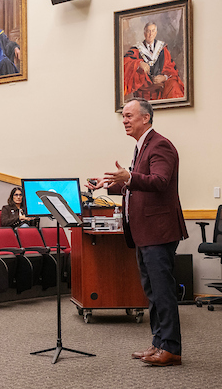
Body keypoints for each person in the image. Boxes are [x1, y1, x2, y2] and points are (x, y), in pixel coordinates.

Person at [87, 98, 187, 367]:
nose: (125, 120)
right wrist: (107, 185)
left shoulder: (160, 145)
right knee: (152, 292)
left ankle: (171, 349)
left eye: (130, 116)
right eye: (123, 117)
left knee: (163, 291)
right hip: (144, 232)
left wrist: (128, 177)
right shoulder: (141, 147)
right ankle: (158, 343)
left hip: (158, 230)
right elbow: (136, 185)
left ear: (146, 118)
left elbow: (160, 181)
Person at [123, 22, 184, 101]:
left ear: (156, 33)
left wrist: (164, 77)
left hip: (160, 87)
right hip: (144, 87)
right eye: (148, 31)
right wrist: (139, 63)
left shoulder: (162, 49)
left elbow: (171, 69)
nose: (150, 34)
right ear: (144, 33)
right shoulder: (136, 49)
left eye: (153, 31)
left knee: (174, 85)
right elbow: (125, 62)